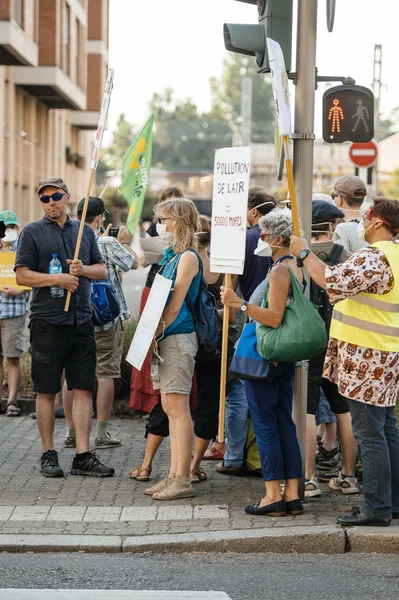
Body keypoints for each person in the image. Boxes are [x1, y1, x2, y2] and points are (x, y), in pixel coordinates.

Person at [290, 197, 399, 526]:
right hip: (386, 352)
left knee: (370, 433)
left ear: (378, 222)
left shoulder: (376, 255)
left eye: (366, 217)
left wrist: (304, 251)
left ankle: (376, 507)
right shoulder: (395, 254)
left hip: (367, 356)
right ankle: (391, 502)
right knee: (386, 430)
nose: (361, 223)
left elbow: (331, 280)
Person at [15, 177, 114, 479]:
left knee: (82, 388)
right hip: (47, 322)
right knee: (46, 391)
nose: (51, 203)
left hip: (81, 320)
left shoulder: (84, 231)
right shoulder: (32, 232)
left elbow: (101, 270)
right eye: (44, 198)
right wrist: (56, 279)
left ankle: (83, 455)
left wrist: (82, 270)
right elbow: (22, 276)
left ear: (68, 197)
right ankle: (49, 454)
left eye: (56, 196)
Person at [221, 209, 303, 517]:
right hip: (282, 356)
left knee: (267, 424)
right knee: (282, 421)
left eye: (265, 234)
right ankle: (292, 493)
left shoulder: (280, 270)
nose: (261, 238)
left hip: (265, 356)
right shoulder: (296, 267)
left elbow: (273, 316)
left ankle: (272, 495)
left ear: (278, 237)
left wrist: (239, 304)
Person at [61, 196, 138, 449]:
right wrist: (124, 243)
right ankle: (101, 433)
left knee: (71, 374)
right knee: (106, 372)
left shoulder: (67, 238)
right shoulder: (106, 241)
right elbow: (133, 263)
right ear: (99, 218)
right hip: (105, 320)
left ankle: (71, 433)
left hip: (75, 316)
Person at [142, 197, 202, 501]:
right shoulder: (172, 255)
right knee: (170, 407)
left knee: (177, 410)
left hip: (177, 336)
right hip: (169, 337)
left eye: (164, 220)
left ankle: (182, 477)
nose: (160, 225)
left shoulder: (187, 257)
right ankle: (175, 473)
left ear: (178, 221)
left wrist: (151, 334)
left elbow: (175, 304)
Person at [305, 200, 358, 498]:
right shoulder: (345, 256)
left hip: (306, 340)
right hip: (338, 338)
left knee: (307, 409)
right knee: (343, 409)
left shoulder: (298, 255)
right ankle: (348, 477)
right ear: (330, 226)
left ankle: (309, 479)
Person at [129, 186, 185, 415]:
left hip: (176, 286)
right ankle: (150, 402)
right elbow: (142, 261)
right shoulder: (155, 226)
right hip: (155, 285)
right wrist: (159, 251)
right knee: (148, 343)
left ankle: (174, 399)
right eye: (167, 204)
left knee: (172, 343)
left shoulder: (187, 229)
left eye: (176, 204)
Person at [0, 211, 29, 417]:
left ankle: (12, 401)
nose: (9, 231)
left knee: (12, 357)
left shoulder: (24, 250)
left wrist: (20, 289)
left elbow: (33, 278)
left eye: (12, 227)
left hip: (13, 311)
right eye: (6, 227)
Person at [331, 175, 368, 253]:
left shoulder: (342, 229)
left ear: (339, 199)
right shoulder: (371, 225)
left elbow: (339, 261)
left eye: (333, 196)